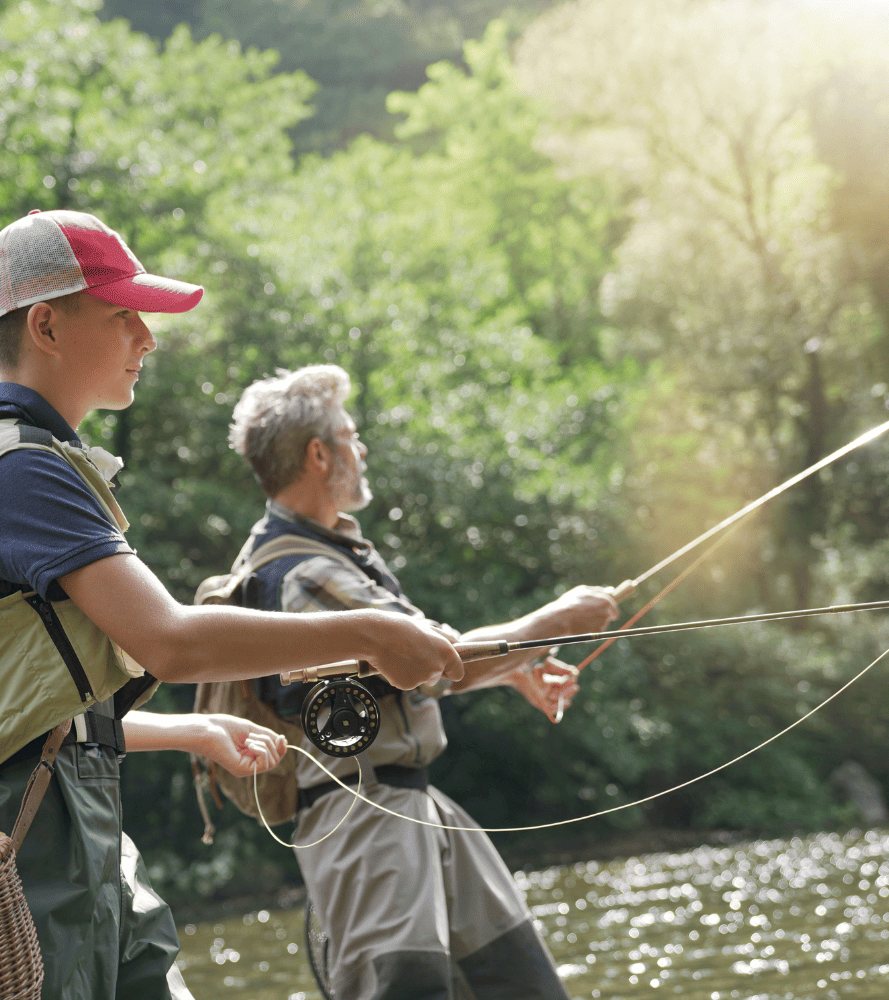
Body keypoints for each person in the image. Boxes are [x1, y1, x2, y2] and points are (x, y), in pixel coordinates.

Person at [0, 211, 463, 1000]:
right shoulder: (19, 473)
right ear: (45, 325)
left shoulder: (30, 464)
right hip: (19, 849)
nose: (147, 338)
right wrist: (374, 632)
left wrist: (190, 728)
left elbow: (12, 715)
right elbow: (171, 643)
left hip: (69, 829)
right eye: (124, 315)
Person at [225, 364, 619, 1000]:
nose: (364, 448)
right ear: (319, 455)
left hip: (418, 808)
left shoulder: (330, 558)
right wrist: (555, 621)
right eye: (352, 435)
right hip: (367, 821)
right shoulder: (302, 575)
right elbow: (435, 659)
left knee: (525, 987)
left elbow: (420, 668)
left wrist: (514, 667)